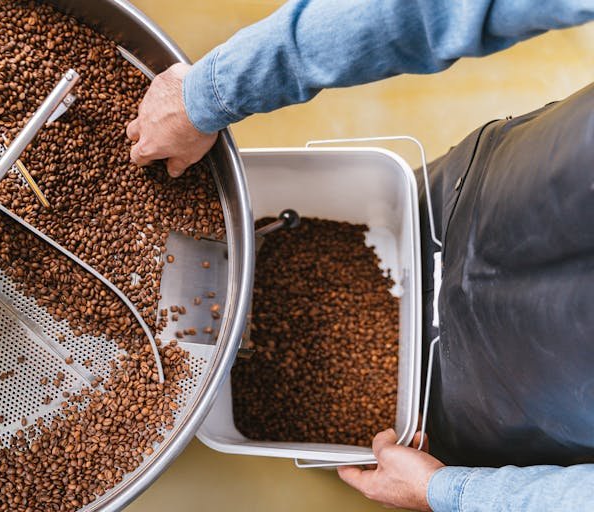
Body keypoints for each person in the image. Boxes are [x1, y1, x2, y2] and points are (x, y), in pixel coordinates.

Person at [127, 1, 594, 510]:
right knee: (424, 215)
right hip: (478, 196)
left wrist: (448, 491)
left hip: (501, 406)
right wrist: (209, 92)